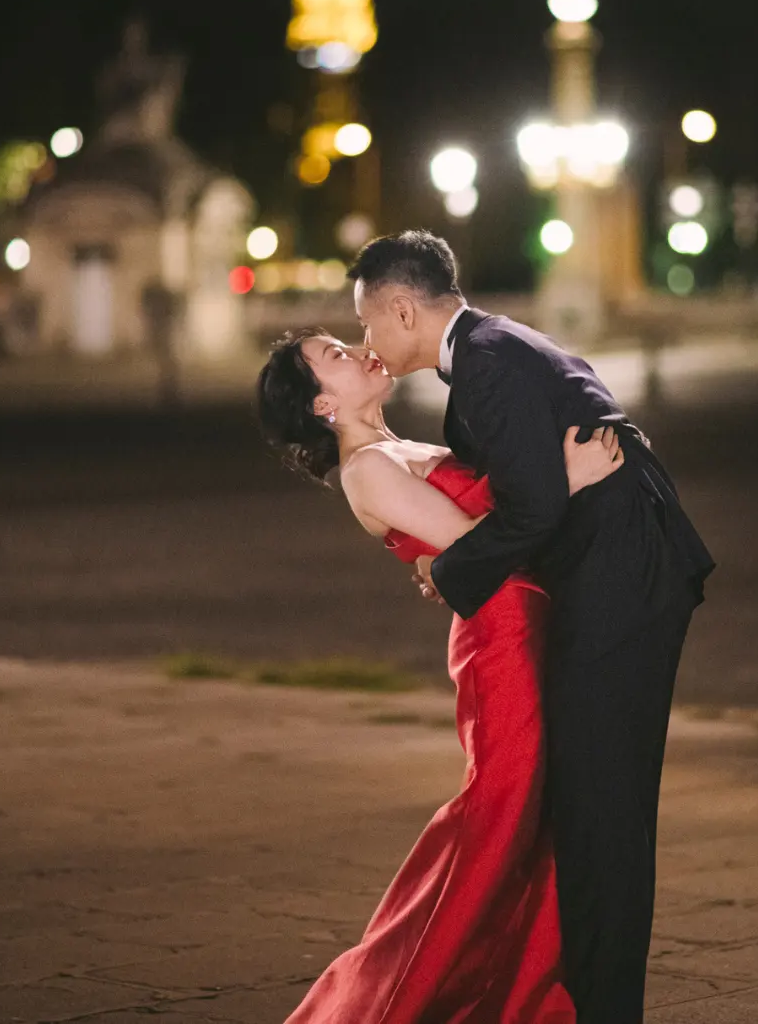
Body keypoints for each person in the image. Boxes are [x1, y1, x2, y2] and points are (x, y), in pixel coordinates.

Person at [349, 231, 715, 1024]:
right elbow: (540, 485)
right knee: (595, 808)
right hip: (620, 573)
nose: (366, 340)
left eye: (367, 322)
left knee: (601, 814)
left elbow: (534, 508)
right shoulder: (494, 347)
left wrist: (445, 570)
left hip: (622, 581)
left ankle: (603, 1008)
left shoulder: (486, 362)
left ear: (403, 309)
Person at [257, 328, 624, 1023]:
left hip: (530, 618)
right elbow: (476, 545)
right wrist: (569, 480)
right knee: (499, 814)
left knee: (537, 814)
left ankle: (519, 993)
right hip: (500, 638)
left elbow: (471, 539)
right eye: (336, 357)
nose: (358, 350)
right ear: (322, 406)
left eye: (344, 342)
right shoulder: (365, 469)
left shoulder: (397, 447)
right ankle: (388, 994)